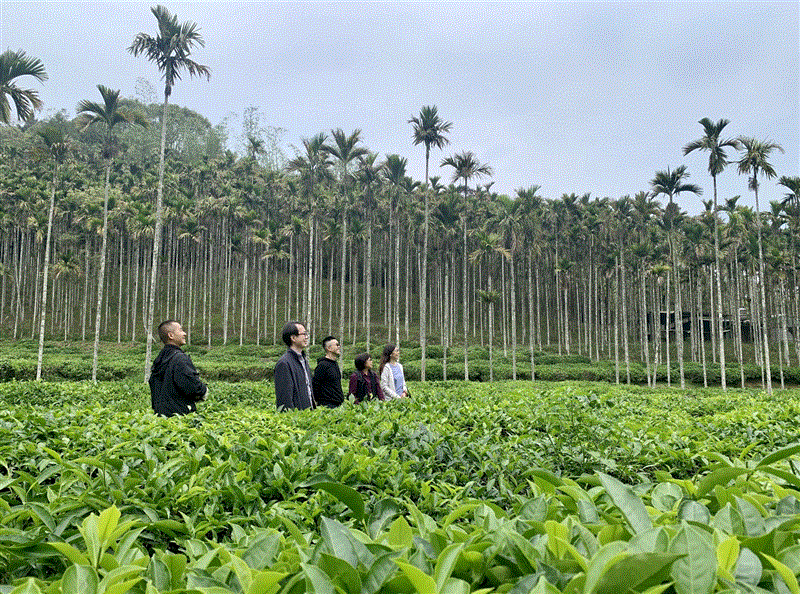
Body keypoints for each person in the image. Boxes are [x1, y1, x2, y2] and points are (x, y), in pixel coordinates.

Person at [149, 320, 208, 417]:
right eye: (180, 330)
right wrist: (204, 390)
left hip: (160, 417)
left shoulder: (160, 358)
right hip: (179, 418)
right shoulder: (180, 359)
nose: (184, 333)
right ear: (171, 336)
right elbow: (192, 386)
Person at [274, 321, 315, 411]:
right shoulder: (284, 363)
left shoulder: (303, 360)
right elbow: (284, 398)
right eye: (303, 334)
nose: (306, 337)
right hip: (296, 419)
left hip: (308, 415)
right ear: (293, 338)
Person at [312, 335, 344, 408]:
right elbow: (315, 385)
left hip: (337, 404)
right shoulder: (322, 365)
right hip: (327, 406)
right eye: (337, 345)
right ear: (329, 348)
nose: (339, 347)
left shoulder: (335, 364)